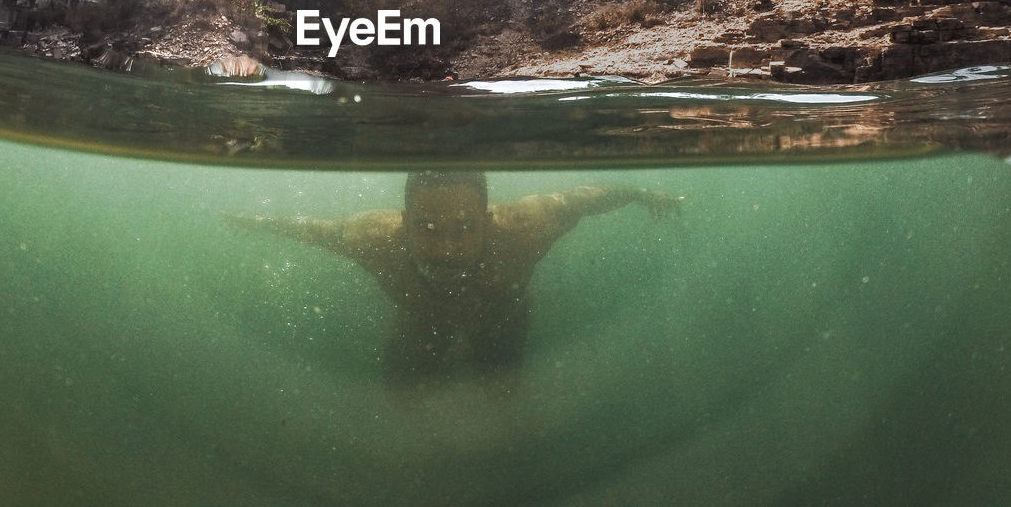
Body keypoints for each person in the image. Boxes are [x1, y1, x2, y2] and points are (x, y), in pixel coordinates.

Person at [223, 171, 682, 390]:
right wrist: (253, 220)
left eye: (463, 228)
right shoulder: (373, 239)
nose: (446, 249)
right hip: (419, 320)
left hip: (501, 315)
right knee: (402, 395)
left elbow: (586, 198)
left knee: (502, 392)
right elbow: (308, 228)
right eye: (426, 228)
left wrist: (644, 194)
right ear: (404, 222)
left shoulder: (524, 229)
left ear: (485, 220)